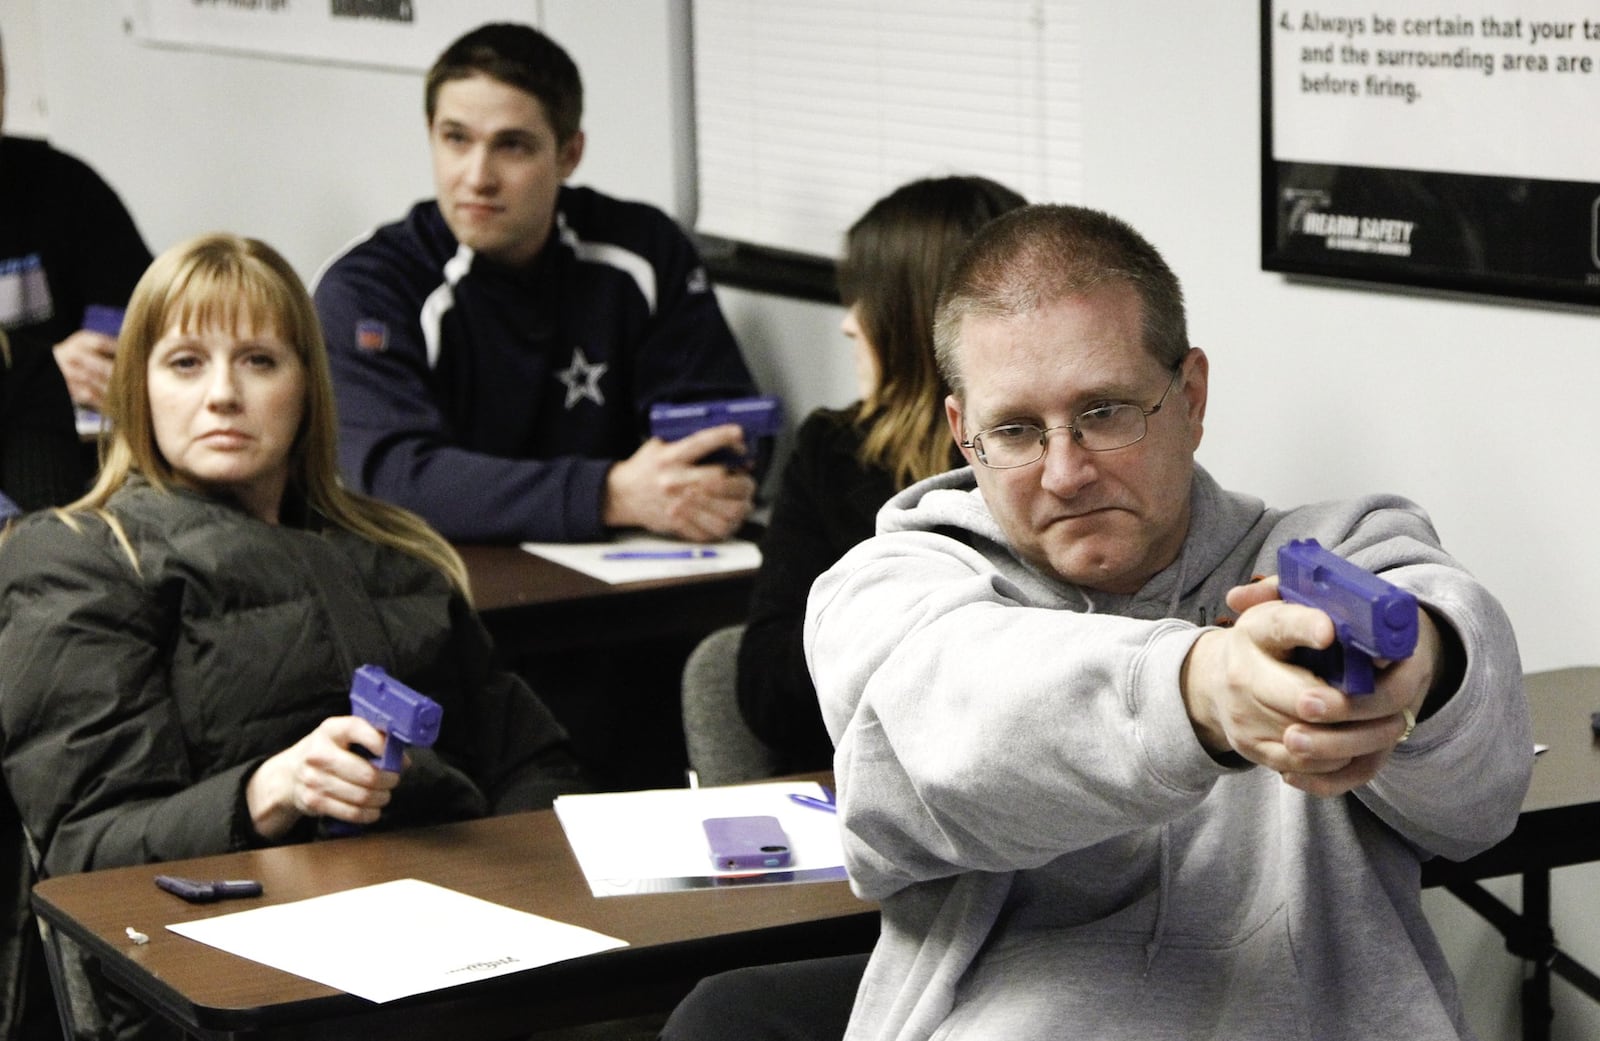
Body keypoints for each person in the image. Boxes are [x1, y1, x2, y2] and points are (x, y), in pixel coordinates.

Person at [663, 205, 1531, 1040]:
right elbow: (963, 731)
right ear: (962, 433)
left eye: (1105, 411)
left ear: (1189, 396)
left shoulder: (1334, 550)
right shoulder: (889, 588)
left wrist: (1425, 667)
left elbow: (1479, 795)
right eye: (1016, 428)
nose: (1065, 470)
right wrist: (1202, 691)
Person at [0, 233, 585, 1041]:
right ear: (138, 387)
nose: (223, 395)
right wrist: (264, 792)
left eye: (259, 361)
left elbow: (531, 761)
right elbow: (87, 853)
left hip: (457, 941)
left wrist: (522, 895)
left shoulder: (397, 551)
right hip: (234, 976)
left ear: (308, 386)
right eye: (185, 364)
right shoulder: (80, 556)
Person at [313, 22, 760, 544]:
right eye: (455, 139)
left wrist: (711, 479)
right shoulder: (369, 286)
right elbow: (391, 479)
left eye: (513, 146)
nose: (477, 176)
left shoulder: (643, 249)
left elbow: (723, 426)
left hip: (620, 573)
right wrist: (609, 493)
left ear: (569, 154)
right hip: (434, 586)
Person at [733, 176, 1024, 772]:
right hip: (858, 787)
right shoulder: (833, 453)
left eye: (864, 298)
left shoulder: (1037, 467)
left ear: (910, 317)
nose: (848, 324)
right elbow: (766, 691)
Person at [0, 29, 153, 508]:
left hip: (69, 446)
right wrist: (35, 367)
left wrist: (99, 353)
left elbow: (136, 308)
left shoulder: (62, 184)